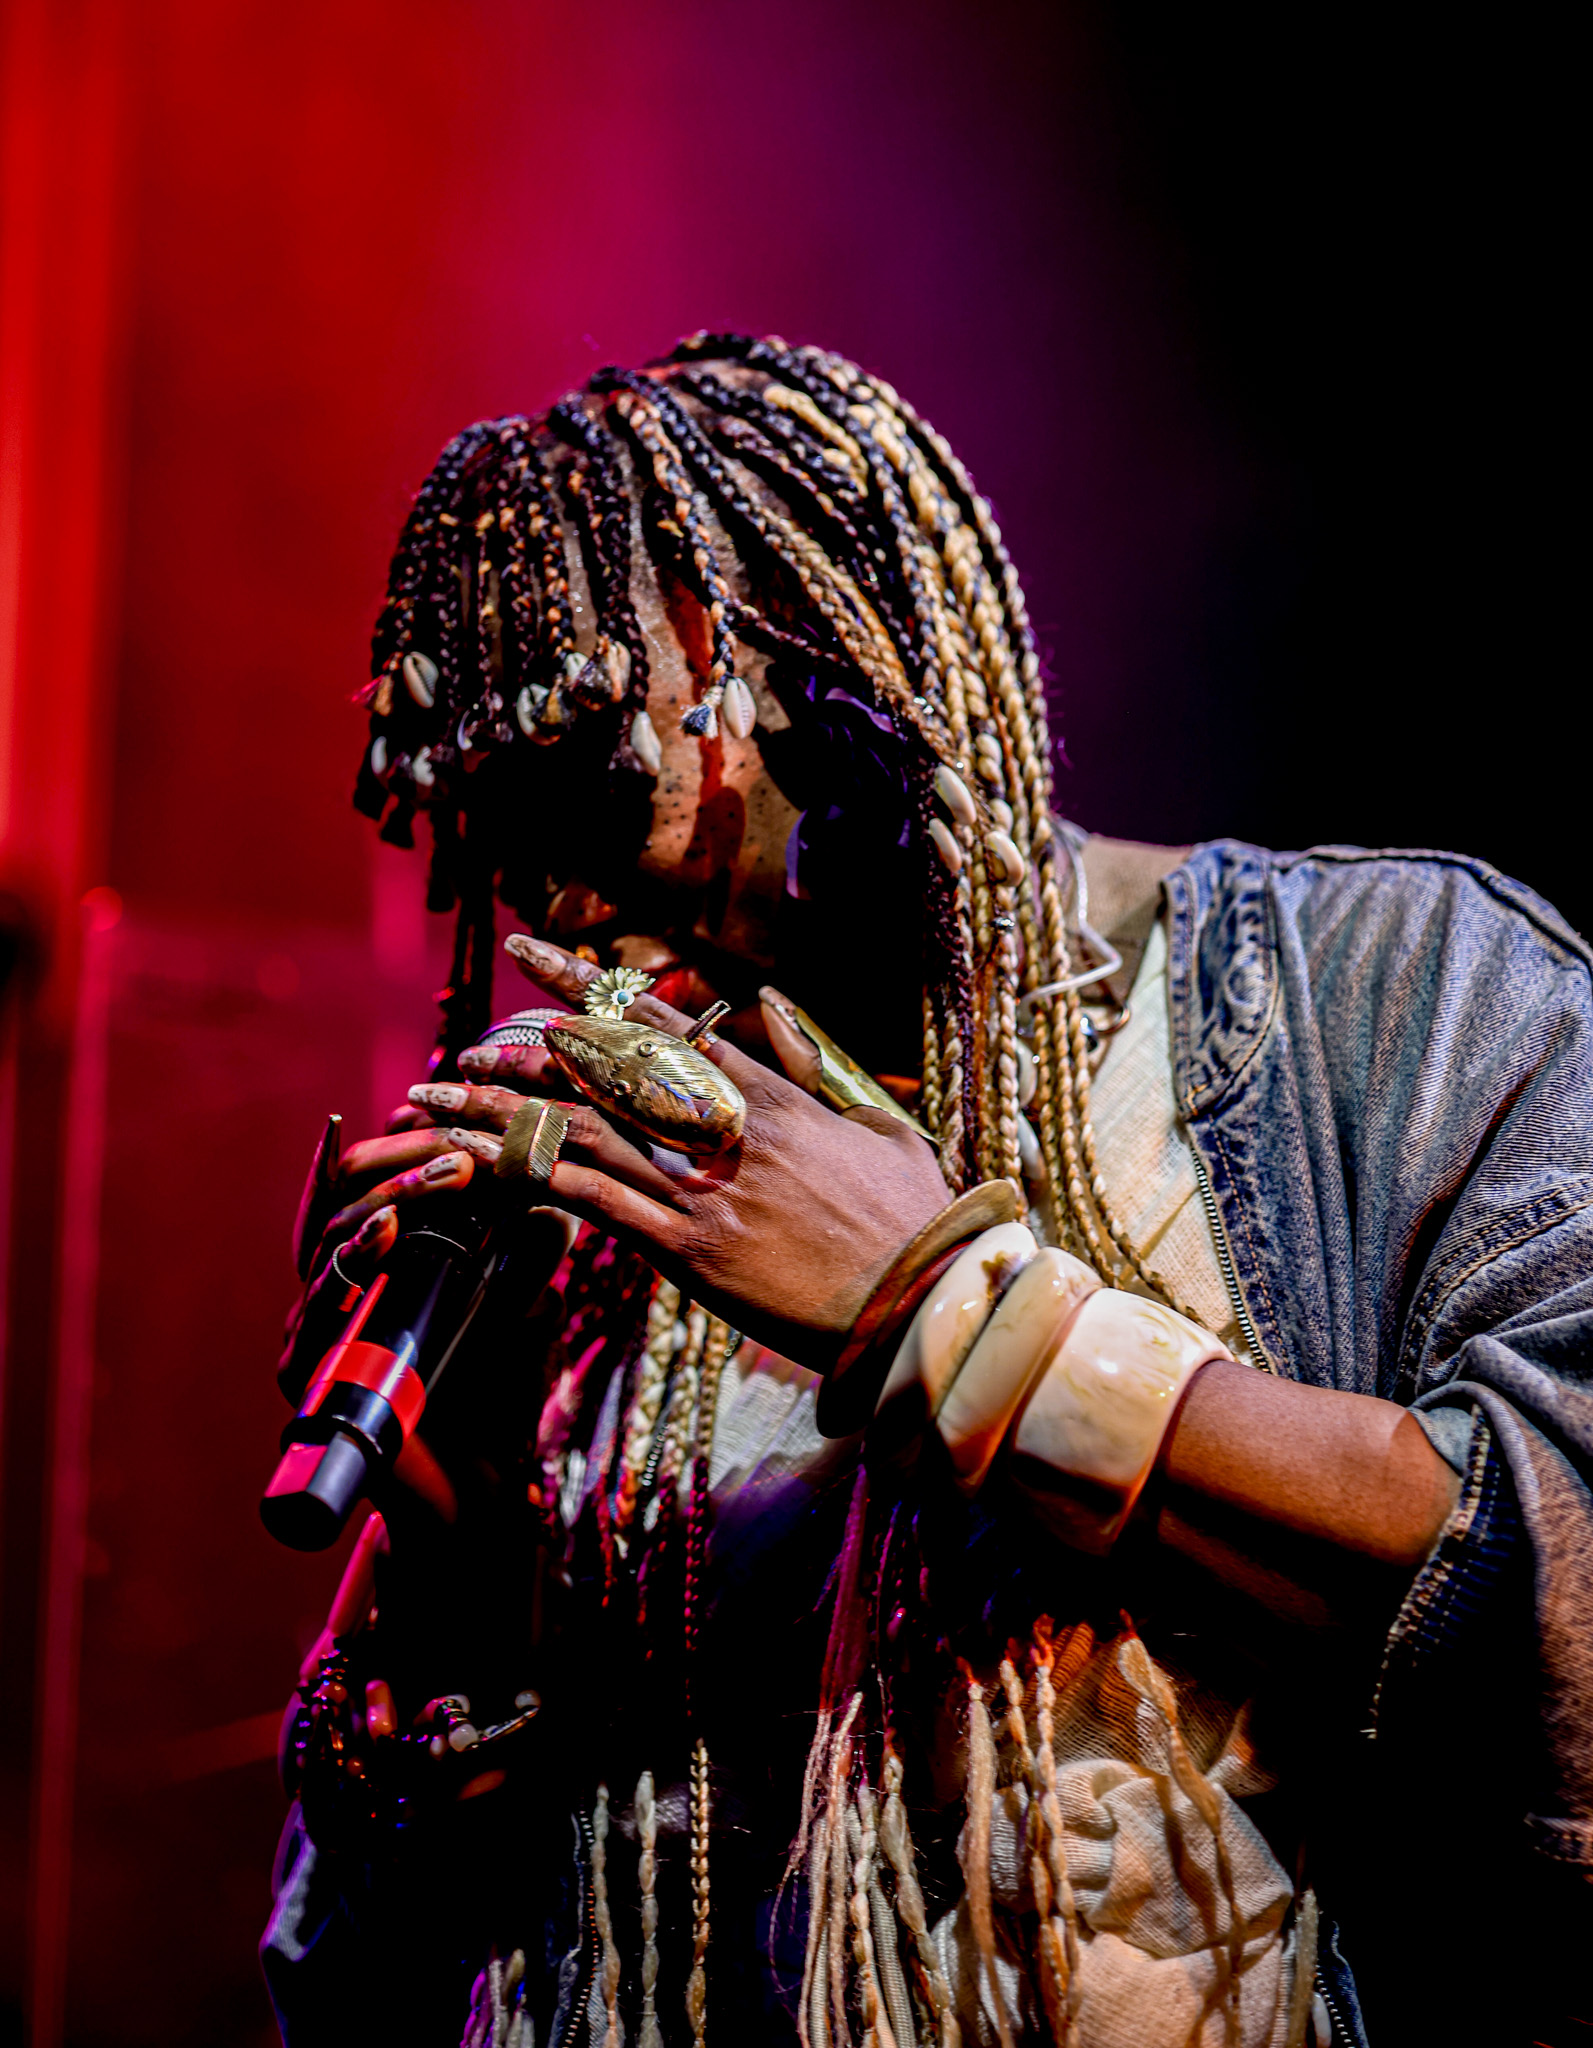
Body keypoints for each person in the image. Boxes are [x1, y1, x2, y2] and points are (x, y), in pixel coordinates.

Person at [261, 336, 1591, 2047]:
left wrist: (944, 1314)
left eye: (590, 776)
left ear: (826, 680)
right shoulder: (595, 1241)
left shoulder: (1385, 994)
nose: (557, 906)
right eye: (492, 829)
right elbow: (350, 1985)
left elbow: (1559, 1613)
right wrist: (457, 1552)